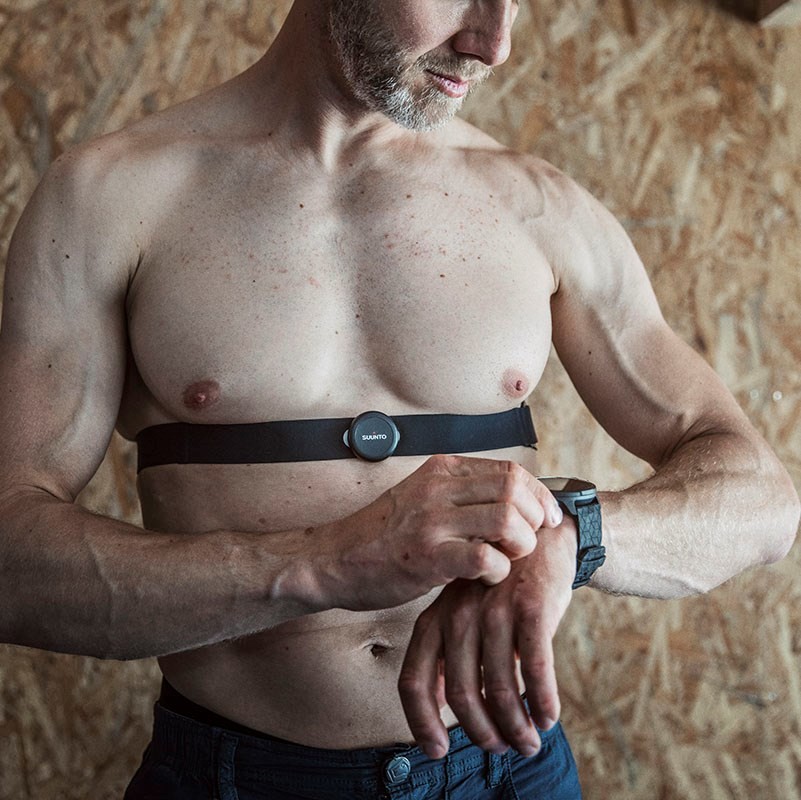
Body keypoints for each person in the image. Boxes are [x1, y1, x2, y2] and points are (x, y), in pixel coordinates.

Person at [1, 1, 798, 797]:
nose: (492, 44)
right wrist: (325, 564)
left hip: (509, 768)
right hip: (245, 778)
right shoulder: (111, 197)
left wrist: (571, 535)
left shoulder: (538, 207)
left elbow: (763, 503)